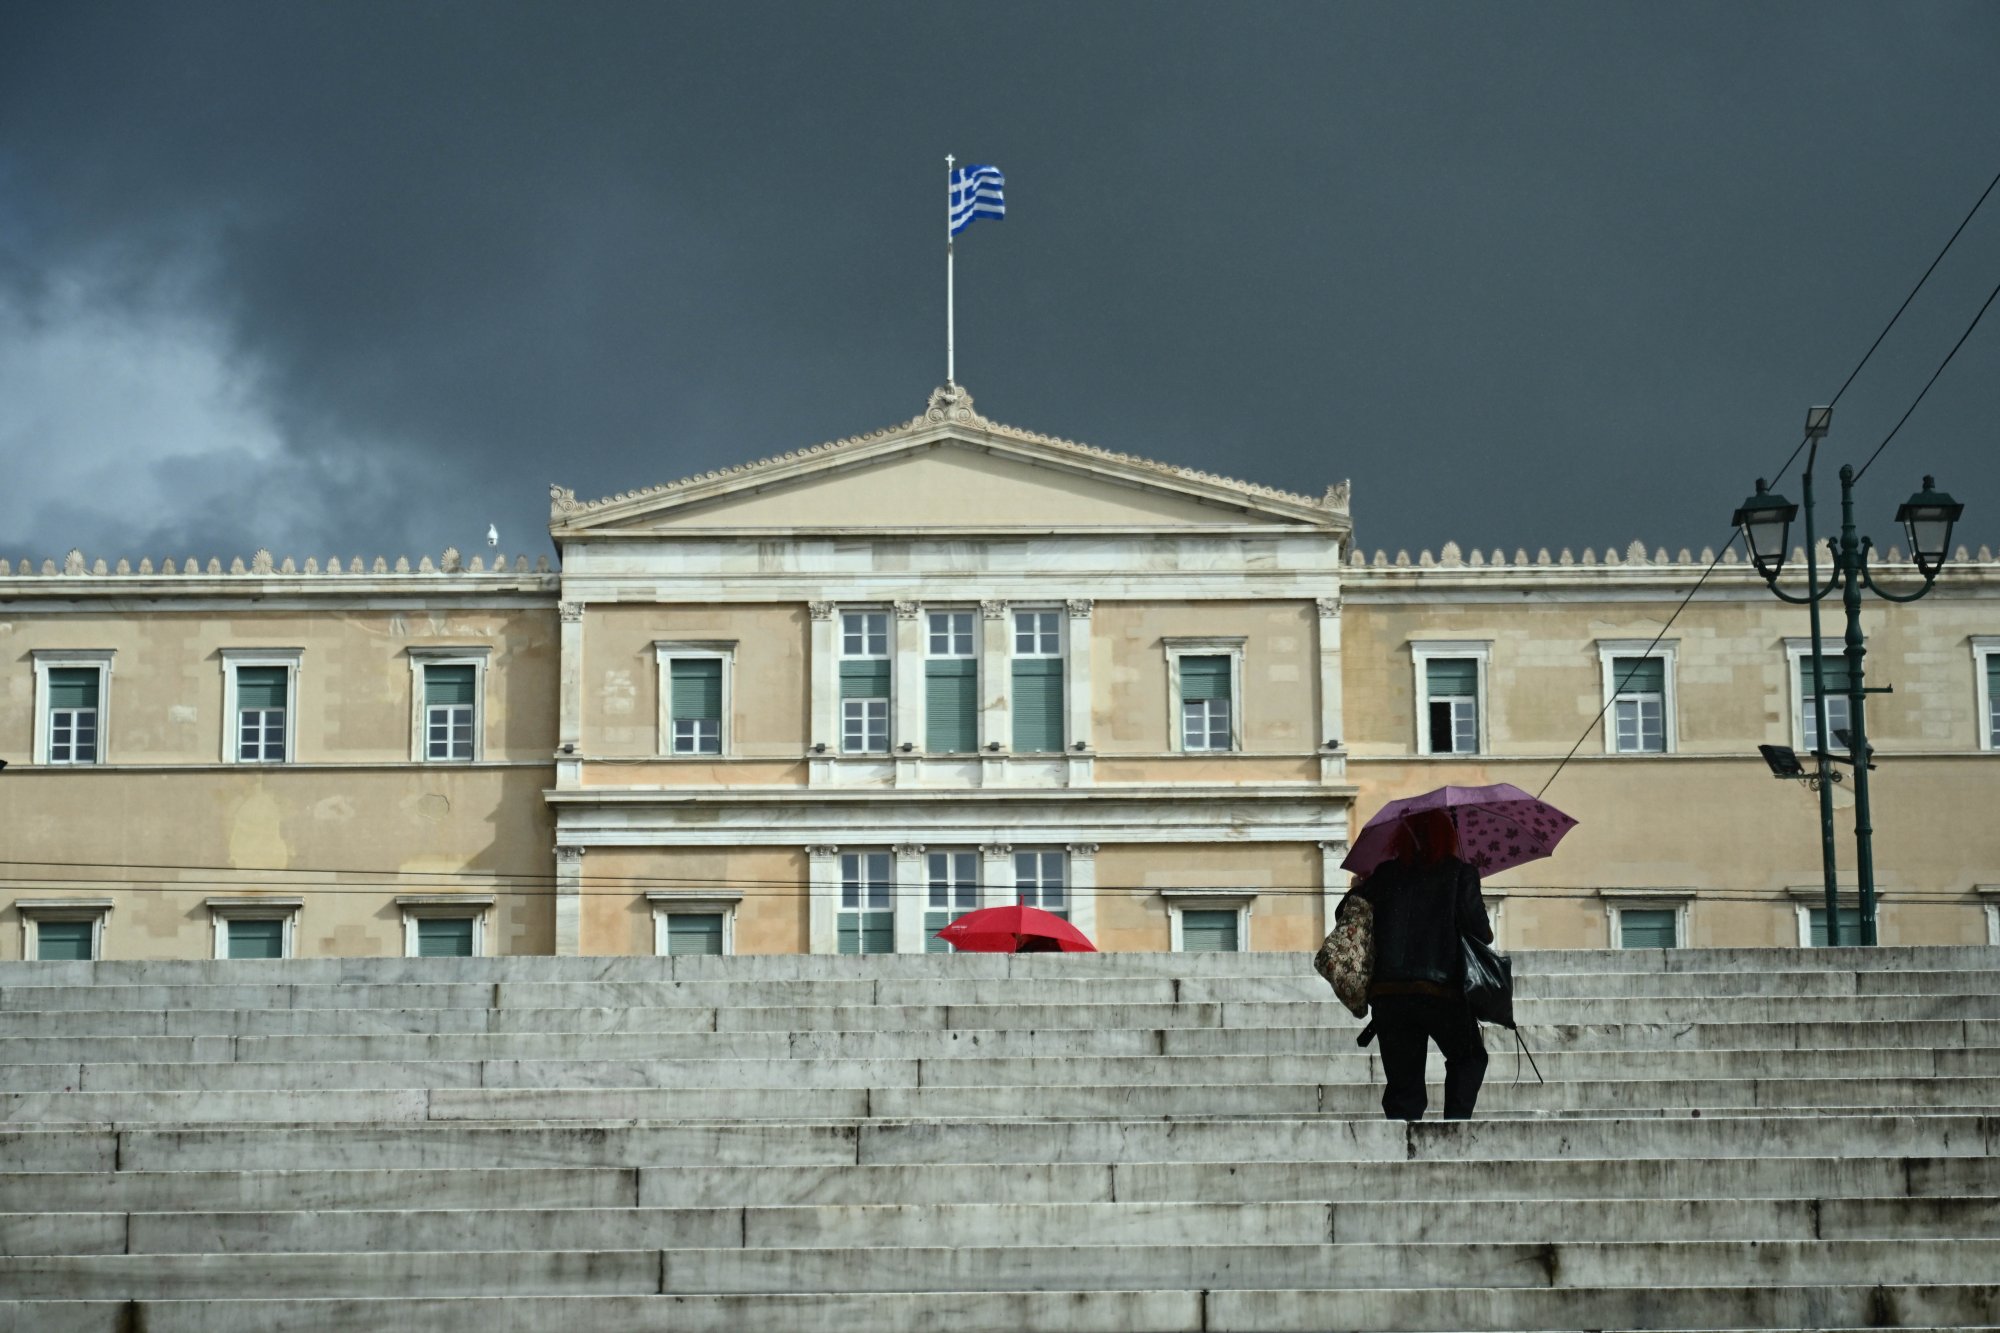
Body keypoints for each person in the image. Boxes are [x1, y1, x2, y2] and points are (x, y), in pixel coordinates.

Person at [1353, 808, 1493, 1121]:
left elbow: (1346, 919)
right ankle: (1455, 1127)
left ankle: (1404, 1148)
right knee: (1469, 1058)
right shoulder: (1460, 872)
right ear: (1447, 838)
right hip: (1442, 993)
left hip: (1389, 995)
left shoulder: (1384, 874)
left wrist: (1359, 886)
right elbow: (1482, 933)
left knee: (1404, 1086)